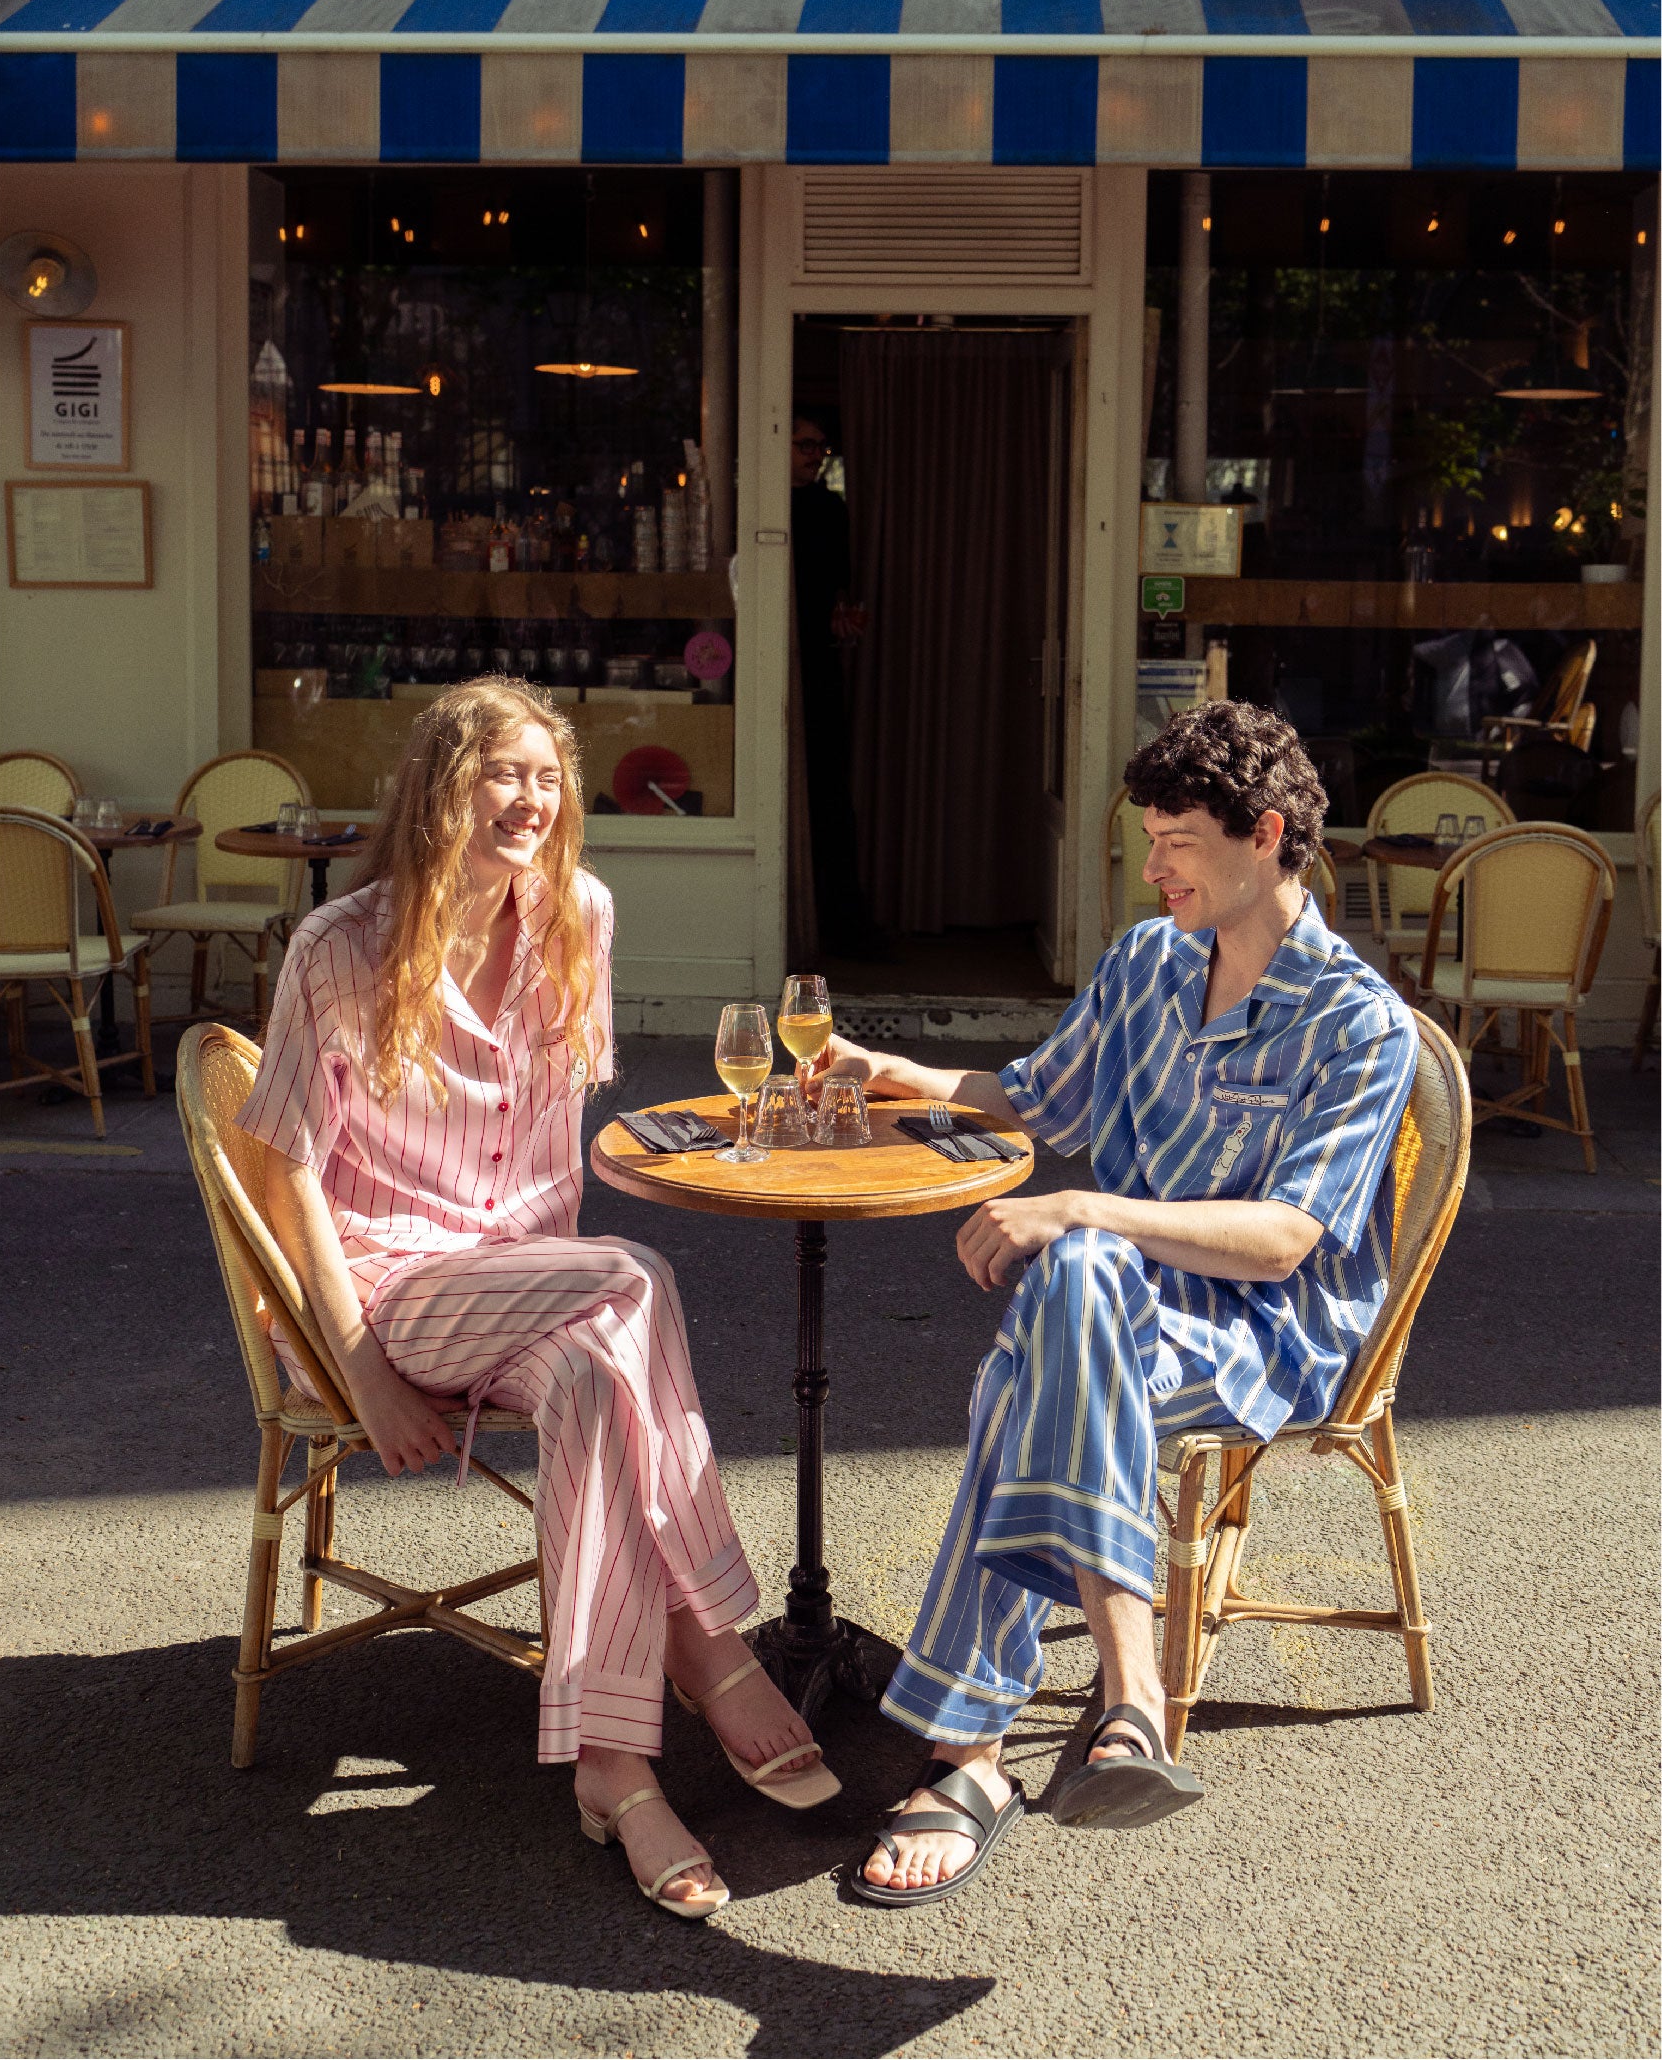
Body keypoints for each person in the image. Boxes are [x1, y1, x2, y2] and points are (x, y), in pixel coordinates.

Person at [239, 679, 839, 1920]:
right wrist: (359, 1366)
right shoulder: (340, 946)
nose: (529, 798)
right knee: (634, 1272)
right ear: (438, 789)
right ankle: (707, 1638)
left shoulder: (582, 913)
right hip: (394, 1285)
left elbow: (568, 1124)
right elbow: (282, 1167)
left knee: (594, 1370)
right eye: (500, 773)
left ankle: (613, 1768)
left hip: (533, 1287)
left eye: (547, 777)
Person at [815, 701, 1418, 1906]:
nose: (1152, 868)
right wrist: (905, 1075)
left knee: (1047, 1326)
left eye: (1178, 842)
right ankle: (1130, 1709)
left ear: (1268, 832)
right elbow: (1041, 1101)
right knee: (1073, 1302)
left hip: (1263, 1334)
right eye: (1149, 839)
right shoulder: (1148, 960)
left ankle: (971, 1754)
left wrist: (1085, 1212)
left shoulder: (1360, 1023)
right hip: (1115, 1310)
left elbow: (1286, 1240)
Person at [790, 410, 881, 957]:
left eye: (821, 445)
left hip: (818, 661)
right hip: (774, 657)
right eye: (804, 444)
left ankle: (838, 922)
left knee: (827, 787)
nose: (815, 453)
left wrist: (841, 621)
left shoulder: (829, 507)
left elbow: (840, 586)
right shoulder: (764, 506)